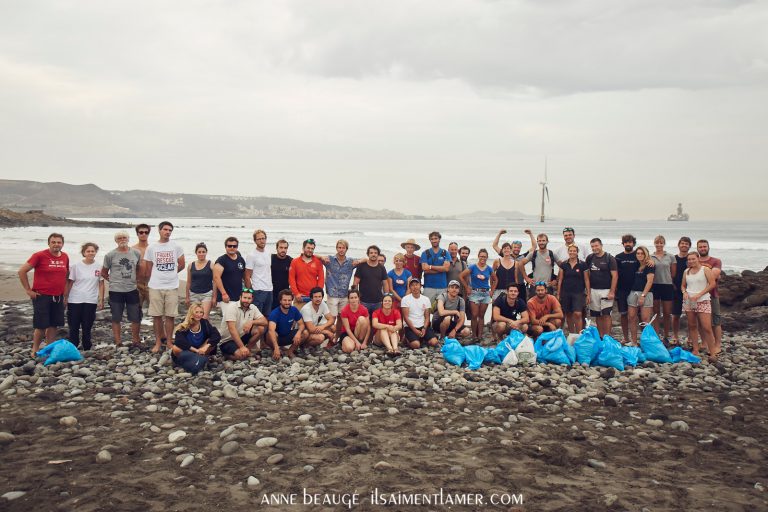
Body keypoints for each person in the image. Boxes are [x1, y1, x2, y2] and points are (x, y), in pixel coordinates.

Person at [18, 233, 69, 357]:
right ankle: (35, 350)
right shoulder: (39, 255)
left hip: (58, 296)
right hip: (42, 296)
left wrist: (65, 295)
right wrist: (28, 290)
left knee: (53, 325)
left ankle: (49, 348)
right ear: (49, 243)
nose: (56, 244)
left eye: (59, 242)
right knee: (41, 325)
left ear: (62, 244)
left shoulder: (65, 256)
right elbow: (22, 271)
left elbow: (66, 275)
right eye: (53, 242)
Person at [142, 221, 185, 353]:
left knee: (170, 316)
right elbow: (148, 267)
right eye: (165, 229)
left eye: (170, 230)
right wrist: (154, 278)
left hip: (172, 286)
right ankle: (158, 342)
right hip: (155, 286)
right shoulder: (151, 248)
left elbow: (182, 264)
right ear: (159, 230)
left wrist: (171, 273)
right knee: (156, 316)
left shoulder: (176, 246)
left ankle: (169, 342)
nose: (167, 232)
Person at [101, 231, 142, 347]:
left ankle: (136, 340)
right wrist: (113, 281)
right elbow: (104, 272)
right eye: (119, 238)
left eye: (124, 237)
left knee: (135, 317)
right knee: (116, 317)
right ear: (116, 240)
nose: (122, 240)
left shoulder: (136, 253)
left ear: (128, 239)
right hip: (116, 291)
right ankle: (118, 341)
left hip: (132, 290)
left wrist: (136, 280)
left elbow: (138, 268)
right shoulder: (110, 255)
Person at [65, 242, 103, 351]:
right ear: (84, 253)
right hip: (75, 299)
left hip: (91, 299)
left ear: (95, 252)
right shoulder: (76, 266)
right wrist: (65, 297)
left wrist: (101, 299)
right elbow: (70, 282)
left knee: (87, 325)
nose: (90, 253)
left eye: (93, 251)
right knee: (74, 325)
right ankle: (73, 345)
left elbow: (101, 283)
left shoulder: (99, 267)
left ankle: (87, 345)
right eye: (88, 251)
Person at [322, 239, 361, 343]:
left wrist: (359, 261)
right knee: (332, 318)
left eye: (343, 248)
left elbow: (366, 259)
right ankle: (329, 339)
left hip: (344, 294)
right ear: (336, 248)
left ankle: (337, 338)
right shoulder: (330, 260)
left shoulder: (350, 262)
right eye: (339, 247)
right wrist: (321, 257)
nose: (341, 249)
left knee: (341, 318)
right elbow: (315, 257)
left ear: (346, 249)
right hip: (332, 294)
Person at [681, 252, 718, 360]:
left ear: (698, 258)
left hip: (703, 300)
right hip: (689, 301)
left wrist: (699, 295)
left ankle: (712, 352)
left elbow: (712, 284)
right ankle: (695, 349)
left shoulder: (705, 270)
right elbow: (683, 286)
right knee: (692, 325)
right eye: (689, 259)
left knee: (707, 327)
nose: (691, 261)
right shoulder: (686, 271)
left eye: (693, 259)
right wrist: (684, 292)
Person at [219, 288, 267, 361]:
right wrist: (242, 347)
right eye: (244, 298)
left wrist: (251, 322)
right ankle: (227, 355)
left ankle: (248, 349)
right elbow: (232, 329)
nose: (246, 300)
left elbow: (265, 321)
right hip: (228, 340)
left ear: (252, 299)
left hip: (242, 336)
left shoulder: (253, 307)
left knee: (260, 328)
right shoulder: (232, 307)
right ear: (240, 297)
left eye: (249, 298)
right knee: (241, 357)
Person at [172, 303, 221, 374]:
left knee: (211, 342)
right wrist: (196, 350)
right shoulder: (185, 325)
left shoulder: (204, 323)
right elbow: (179, 341)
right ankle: (198, 359)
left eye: (201, 312)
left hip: (201, 349)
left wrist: (206, 347)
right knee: (175, 348)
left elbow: (216, 335)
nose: (199, 314)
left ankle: (196, 359)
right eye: (196, 312)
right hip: (188, 350)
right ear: (191, 313)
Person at [584, 238, 618, 338]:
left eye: (596, 246)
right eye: (592, 246)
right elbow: (587, 276)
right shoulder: (590, 258)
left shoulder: (609, 258)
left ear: (601, 245)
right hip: (593, 290)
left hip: (606, 290)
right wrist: (588, 293)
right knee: (597, 315)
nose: (595, 248)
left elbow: (615, 276)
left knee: (606, 315)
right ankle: (601, 336)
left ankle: (607, 337)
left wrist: (612, 292)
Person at [697, 240, 723, 357]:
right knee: (701, 321)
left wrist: (698, 276)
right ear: (697, 248)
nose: (703, 248)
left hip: (712, 294)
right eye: (700, 247)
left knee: (716, 320)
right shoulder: (694, 260)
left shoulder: (716, 261)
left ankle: (717, 345)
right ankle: (704, 343)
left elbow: (714, 275)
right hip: (697, 296)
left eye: (704, 246)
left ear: (708, 247)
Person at [460, 248, 493, 340]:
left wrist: (492, 291)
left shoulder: (489, 268)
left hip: (485, 294)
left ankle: (480, 336)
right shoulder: (472, 267)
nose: (483, 258)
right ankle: (474, 335)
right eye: (481, 256)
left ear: (487, 257)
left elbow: (496, 279)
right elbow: (461, 276)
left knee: (481, 316)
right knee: (474, 315)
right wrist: (467, 287)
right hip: (474, 293)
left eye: (485, 256)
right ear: (478, 256)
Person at [266, 289, 307, 359]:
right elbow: (271, 330)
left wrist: (299, 333)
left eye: (289, 300)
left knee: (305, 333)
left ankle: (290, 351)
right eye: (284, 300)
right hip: (275, 338)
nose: (287, 302)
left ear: (292, 301)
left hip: (287, 335)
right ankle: (275, 350)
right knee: (270, 333)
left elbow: (301, 324)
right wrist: (276, 347)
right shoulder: (275, 313)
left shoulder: (294, 310)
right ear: (280, 301)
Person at [626, 246, 655, 346]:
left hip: (646, 294)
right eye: (638, 253)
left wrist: (643, 295)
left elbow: (650, 281)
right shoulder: (636, 265)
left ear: (646, 254)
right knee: (631, 317)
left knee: (645, 320)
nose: (640, 255)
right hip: (633, 292)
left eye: (642, 253)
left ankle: (646, 344)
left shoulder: (650, 265)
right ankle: (634, 341)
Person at [557, 244, 588, 334]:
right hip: (566, 292)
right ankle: (571, 334)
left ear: (577, 252)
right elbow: (560, 280)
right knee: (568, 314)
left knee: (578, 314)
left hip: (579, 293)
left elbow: (586, 280)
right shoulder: (563, 264)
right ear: (568, 252)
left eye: (574, 251)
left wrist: (588, 294)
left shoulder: (583, 264)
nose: (572, 252)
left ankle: (579, 334)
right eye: (570, 251)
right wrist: (558, 293)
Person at [652, 235, 677, 342]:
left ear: (664, 244)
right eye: (657, 242)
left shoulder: (671, 257)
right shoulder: (650, 257)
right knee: (656, 312)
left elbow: (673, 273)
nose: (659, 245)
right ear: (654, 244)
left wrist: (669, 280)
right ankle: (656, 336)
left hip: (667, 286)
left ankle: (666, 336)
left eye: (661, 243)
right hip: (654, 286)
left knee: (667, 313)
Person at [615, 234, 639, 343]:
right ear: (623, 244)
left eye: (630, 242)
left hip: (636, 289)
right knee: (623, 314)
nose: (628, 244)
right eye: (626, 242)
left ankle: (642, 338)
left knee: (638, 315)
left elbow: (646, 264)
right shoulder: (618, 257)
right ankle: (626, 338)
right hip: (622, 290)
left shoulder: (638, 255)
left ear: (633, 243)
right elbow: (614, 273)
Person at [401, 278, 439, 349]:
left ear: (420, 286)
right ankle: (407, 338)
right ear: (410, 287)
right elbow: (405, 318)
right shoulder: (405, 299)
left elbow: (427, 317)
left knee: (434, 342)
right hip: (410, 327)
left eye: (416, 284)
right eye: (412, 285)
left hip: (422, 325)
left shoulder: (426, 299)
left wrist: (424, 328)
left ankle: (421, 338)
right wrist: (415, 330)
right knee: (416, 345)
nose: (415, 287)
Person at [245, 229, 273, 316]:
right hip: (258, 290)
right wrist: (250, 292)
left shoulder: (268, 252)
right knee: (257, 317)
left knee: (267, 316)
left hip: (269, 290)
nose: (262, 241)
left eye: (263, 238)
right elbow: (247, 276)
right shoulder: (251, 255)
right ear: (255, 241)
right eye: (259, 239)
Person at [354, 245, 390, 314]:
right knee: (364, 320)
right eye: (371, 253)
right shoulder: (361, 266)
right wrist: (356, 298)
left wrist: (387, 298)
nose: (373, 254)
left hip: (378, 301)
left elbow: (385, 284)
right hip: (363, 301)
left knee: (376, 320)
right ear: (368, 254)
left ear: (378, 255)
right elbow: (355, 283)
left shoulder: (382, 268)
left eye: (375, 253)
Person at [289, 239, 325, 307]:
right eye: (308, 248)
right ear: (303, 248)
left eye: (312, 248)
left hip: (314, 298)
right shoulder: (295, 262)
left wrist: (317, 294)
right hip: (300, 298)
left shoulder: (318, 262)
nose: (310, 250)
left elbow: (321, 279)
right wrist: (296, 293)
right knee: (298, 314)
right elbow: (291, 279)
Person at [521, 231, 557, 296]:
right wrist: (526, 278)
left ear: (547, 241)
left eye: (543, 241)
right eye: (539, 241)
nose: (541, 242)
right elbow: (520, 263)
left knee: (548, 303)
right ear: (537, 242)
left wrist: (556, 280)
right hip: (534, 286)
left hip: (547, 287)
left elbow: (563, 266)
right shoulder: (533, 254)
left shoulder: (552, 254)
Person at [213, 237, 246, 309]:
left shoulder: (241, 260)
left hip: (239, 297)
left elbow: (244, 277)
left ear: (237, 247)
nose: (232, 248)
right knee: (229, 315)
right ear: (225, 247)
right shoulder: (221, 260)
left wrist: (247, 292)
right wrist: (223, 294)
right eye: (229, 246)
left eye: (234, 246)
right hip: (226, 297)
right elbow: (216, 278)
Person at [420, 231, 452, 303]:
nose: (434, 240)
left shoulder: (445, 253)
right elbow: (425, 269)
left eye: (436, 238)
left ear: (439, 239)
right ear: (430, 240)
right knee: (427, 308)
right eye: (432, 239)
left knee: (441, 308)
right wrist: (441, 269)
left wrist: (430, 267)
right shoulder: (425, 253)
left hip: (442, 287)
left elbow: (446, 268)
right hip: (428, 287)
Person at [185, 242, 214, 319]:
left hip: (207, 294)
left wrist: (214, 297)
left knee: (204, 317)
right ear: (196, 253)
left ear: (206, 252)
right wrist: (187, 297)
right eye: (199, 252)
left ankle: (205, 327)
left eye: (203, 252)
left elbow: (215, 282)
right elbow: (188, 282)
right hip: (193, 294)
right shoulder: (191, 265)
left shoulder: (211, 264)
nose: (201, 254)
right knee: (195, 317)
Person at [671, 236, 692, 344]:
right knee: (675, 315)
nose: (684, 245)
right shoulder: (673, 259)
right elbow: (669, 273)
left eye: (686, 244)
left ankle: (691, 338)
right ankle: (675, 336)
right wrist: (672, 284)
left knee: (691, 316)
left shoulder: (691, 259)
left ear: (689, 246)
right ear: (678, 245)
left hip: (690, 291)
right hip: (676, 291)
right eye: (682, 243)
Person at [339, 289, 370, 353]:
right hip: (347, 333)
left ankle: (359, 342)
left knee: (362, 319)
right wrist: (356, 342)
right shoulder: (344, 310)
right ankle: (348, 343)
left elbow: (368, 327)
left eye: (355, 297)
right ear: (348, 299)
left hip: (358, 333)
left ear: (358, 298)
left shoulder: (364, 309)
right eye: (351, 298)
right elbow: (347, 329)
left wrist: (364, 342)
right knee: (349, 348)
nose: (354, 300)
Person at [132, 223, 151, 310]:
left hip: (151, 283)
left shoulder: (153, 248)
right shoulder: (132, 249)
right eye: (141, 232)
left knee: (156, 311)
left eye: (146, 232)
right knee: (135, 311)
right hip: (137, 283)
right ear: (137, 234)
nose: (144, 234)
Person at [271, 239, 292, 309]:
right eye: (281, 247)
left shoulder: (291, 261)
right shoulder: (270, 258)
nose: (283, 250)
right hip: (271, 293)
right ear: (276, 248)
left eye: (285, 248)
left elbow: (303, 259)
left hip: (285, 295)